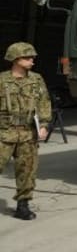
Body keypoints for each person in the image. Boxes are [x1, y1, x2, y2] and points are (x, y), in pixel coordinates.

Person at [0, 42, 51, 220]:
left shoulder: (36, 80)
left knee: (27, 171)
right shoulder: (2, 80)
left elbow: (44, 102)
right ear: (15, 59)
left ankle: (23, 206)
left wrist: (44, 125)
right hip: (4, 133)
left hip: (28, 133)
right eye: (27, 57)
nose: (32, 61)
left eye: (32, 58)